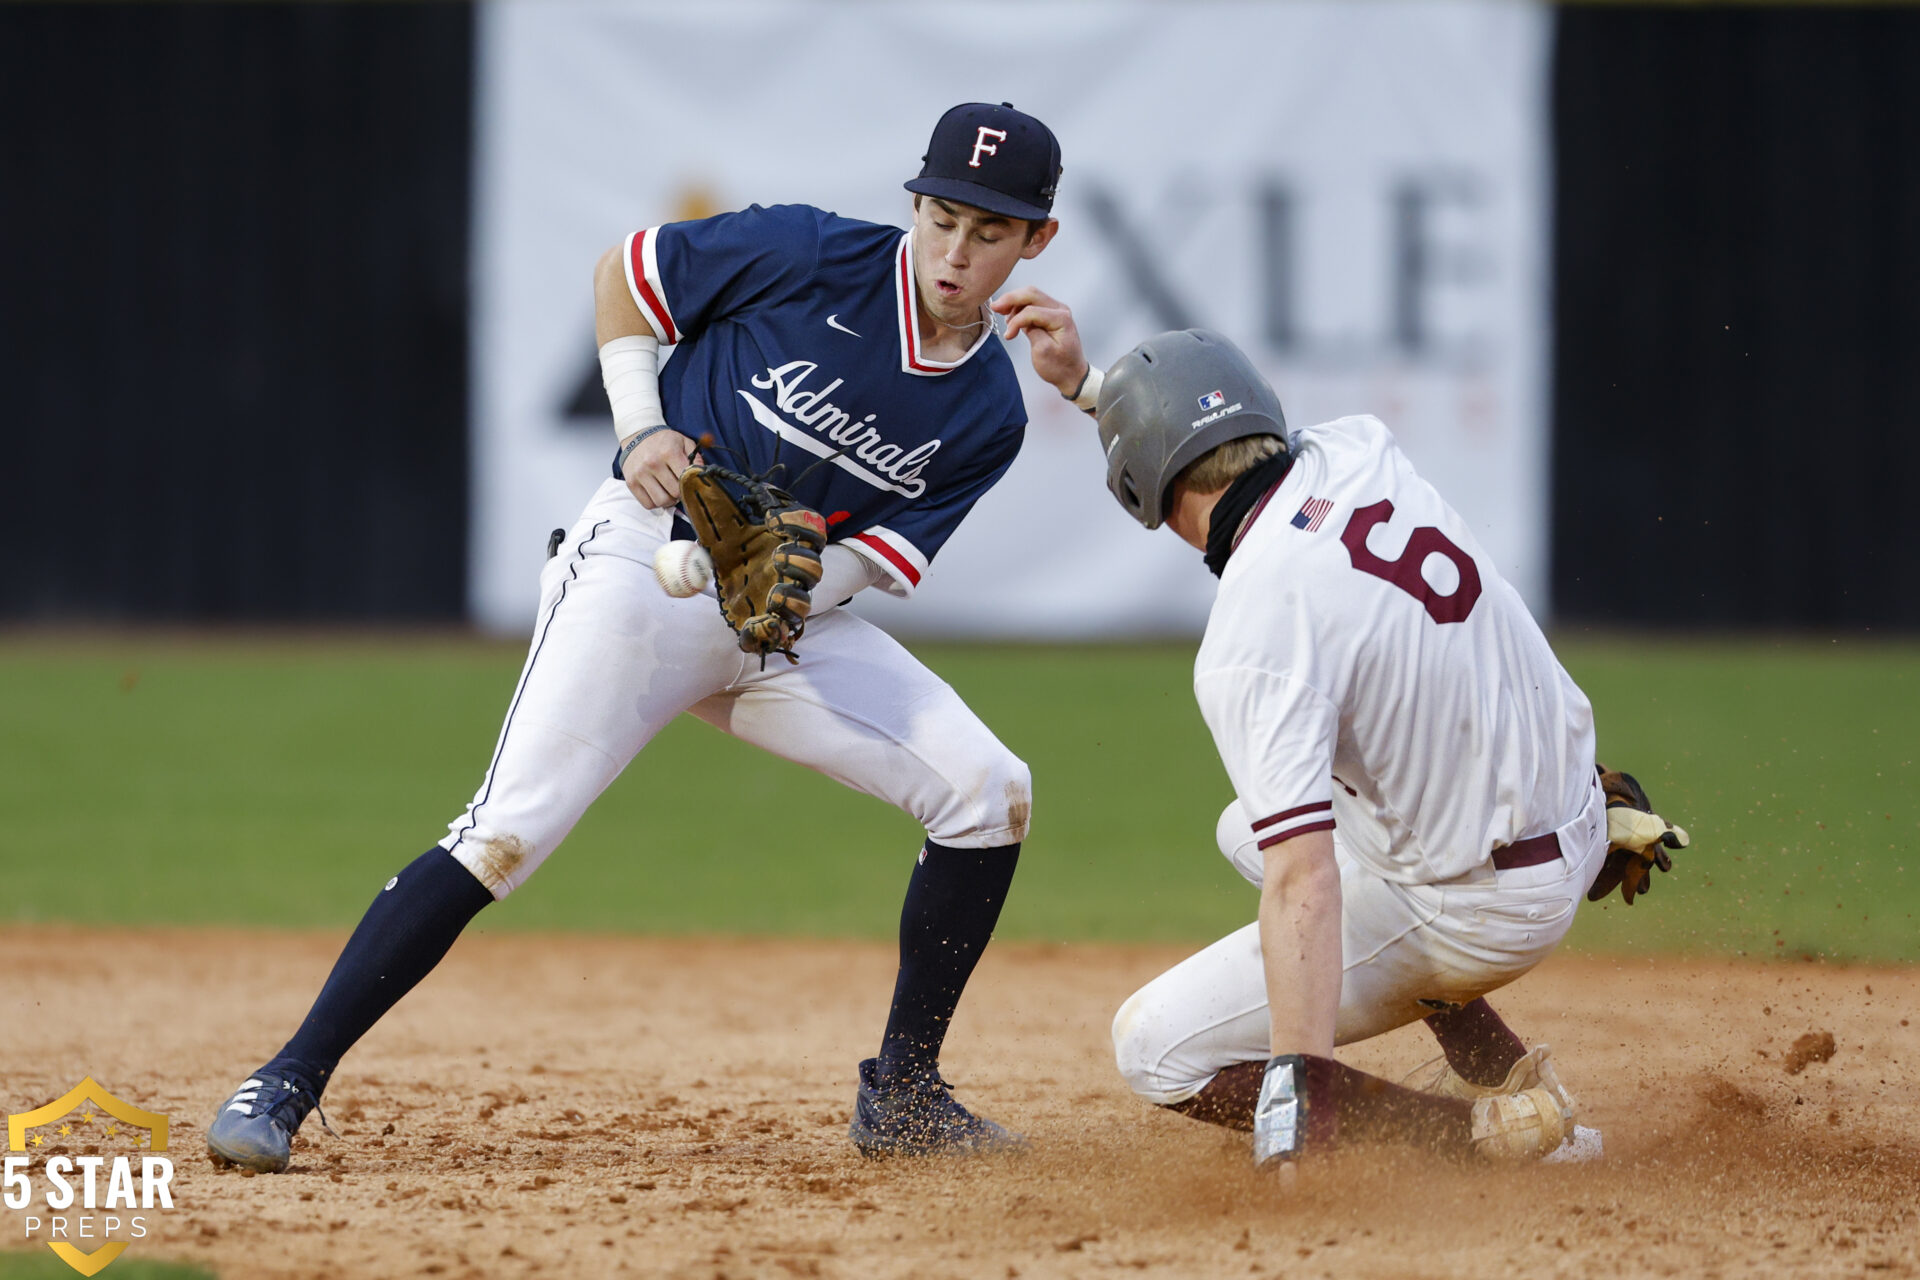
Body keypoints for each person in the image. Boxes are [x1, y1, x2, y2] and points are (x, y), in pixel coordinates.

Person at [208, 102, 1073, 1172]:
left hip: (778, 624)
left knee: (989, 791)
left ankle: (901, 1094)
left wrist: (800, 589)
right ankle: (285, 1078)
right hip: (643, 566)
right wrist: (641, 427)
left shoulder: (989, 409)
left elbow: (879, 557)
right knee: (504, 832)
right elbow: (627, 274)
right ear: (915, 205)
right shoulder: (809, 253)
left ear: (1036, 239)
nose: (954, 251)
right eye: (940, 217)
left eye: (989, 231)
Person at [1001, 317, 1687, 1166]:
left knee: (1153, 1046)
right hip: (1579, 807)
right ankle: (1517, 1085)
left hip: (1487, 909)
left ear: (1144, 486)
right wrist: (1088, 387)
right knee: (1245, 829)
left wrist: (1301, 1097)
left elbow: (1304, 883)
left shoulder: (1250, 636)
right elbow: (1197, 430)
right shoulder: (1357, 450)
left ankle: (1489, 1139)